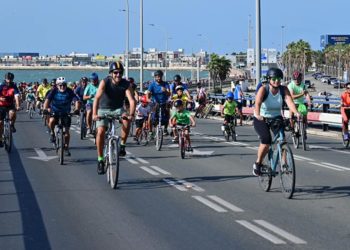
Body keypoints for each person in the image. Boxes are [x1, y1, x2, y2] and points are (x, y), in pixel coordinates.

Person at [252, 68, 300, 176]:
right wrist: (258, 115)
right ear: (269, 79)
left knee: (282, 139)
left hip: (276, 117)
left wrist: (296, 112)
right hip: (261, 118)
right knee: (266, 140)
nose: (276, 81)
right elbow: (258, 103)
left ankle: (284, 164)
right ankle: (258, 163)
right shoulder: (264, 89)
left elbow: (290, 102)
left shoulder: (283, 90)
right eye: (273, 79)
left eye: (278, 79)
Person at [93, 62, 136, 174]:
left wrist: (131, 115)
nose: (118, 75)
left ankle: (122, 145)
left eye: (120, 73)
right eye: (115, 72)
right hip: (103, 108)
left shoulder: (126, 84)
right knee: (101, 131)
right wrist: (94, 114)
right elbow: (96, 98)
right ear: (111, 73)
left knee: (126, 121)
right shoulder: (105, 82)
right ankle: (100, 160)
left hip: (117, 109)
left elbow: (131, 100)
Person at [43, 77, 78, 156]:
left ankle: (66, 147)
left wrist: (76, 109)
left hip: (65, 113)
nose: (62, 87)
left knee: (67, 132)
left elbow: (76, 100)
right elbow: (47, 100)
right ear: (57, 85)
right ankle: (52, 133)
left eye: (64, 85)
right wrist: (45, 109)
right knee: (51, 121)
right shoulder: (53, 91)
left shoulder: (69, 91)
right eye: (60, 85)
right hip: (55, 111)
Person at [145, 70, 171, 135]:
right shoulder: (152, 84)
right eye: (157, 77)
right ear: (155, 77)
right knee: (151, 116)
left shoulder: (165, 84)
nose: (158, 78)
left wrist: (165, 91)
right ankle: (150, 131)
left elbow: (169, 94)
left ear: (161, 77)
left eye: (159, 77)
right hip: (155, 103)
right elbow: (148, 93)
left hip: (163, 103)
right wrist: (148, 99)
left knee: (167, 114)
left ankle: (165, 129)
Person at [288, 70, 312, 135]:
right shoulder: (291, 85)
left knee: (304, 114)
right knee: (291, 116)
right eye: (295, 79)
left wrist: (309, 102)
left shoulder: (303, 85)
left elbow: (306, 94)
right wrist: (301, 94)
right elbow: (292, 96)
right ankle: (292, 129)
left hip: (301, 103)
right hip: (292, 103)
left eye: (298, 79)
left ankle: (304, 129)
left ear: (300, 79)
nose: (297, 81)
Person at [0, 72, 20, 146]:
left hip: (10, 105)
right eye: (8, 79)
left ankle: (12, 125)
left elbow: (16, 96)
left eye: (11, 79)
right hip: (1, 105)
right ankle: (0, 139)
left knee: (13, 113)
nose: (9, 80)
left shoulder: (14, 86)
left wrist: (18, 105)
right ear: (5, 79)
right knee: (0, 123)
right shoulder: (1, 86)